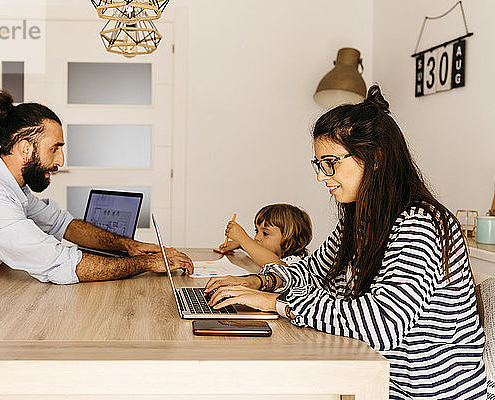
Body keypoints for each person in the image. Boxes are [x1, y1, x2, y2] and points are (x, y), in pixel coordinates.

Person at [205, 86, 486, 399]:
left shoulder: (419, 224)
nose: (321, 177)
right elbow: (312, 270)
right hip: (367, 379)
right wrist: (257, 282)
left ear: (375, 157)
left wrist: (276, 304)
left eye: (329, 163)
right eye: (318, 165)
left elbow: (381, 323)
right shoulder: (359, 220)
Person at [0, 88, 193, 342]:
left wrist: (127, 246)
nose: (61, 160)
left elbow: (62, 224)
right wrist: (145, 263)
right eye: (55, 149)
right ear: (26, 148)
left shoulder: (7, 185)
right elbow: (61, 265)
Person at [217, 203, 312, 267]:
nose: (257, 238)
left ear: (290, 239)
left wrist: (243, 239)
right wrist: (240, 245)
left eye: (265, 233)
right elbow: (261, 254)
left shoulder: (296, 263)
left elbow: (277, 267)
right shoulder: (276, 254)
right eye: (256, 231)